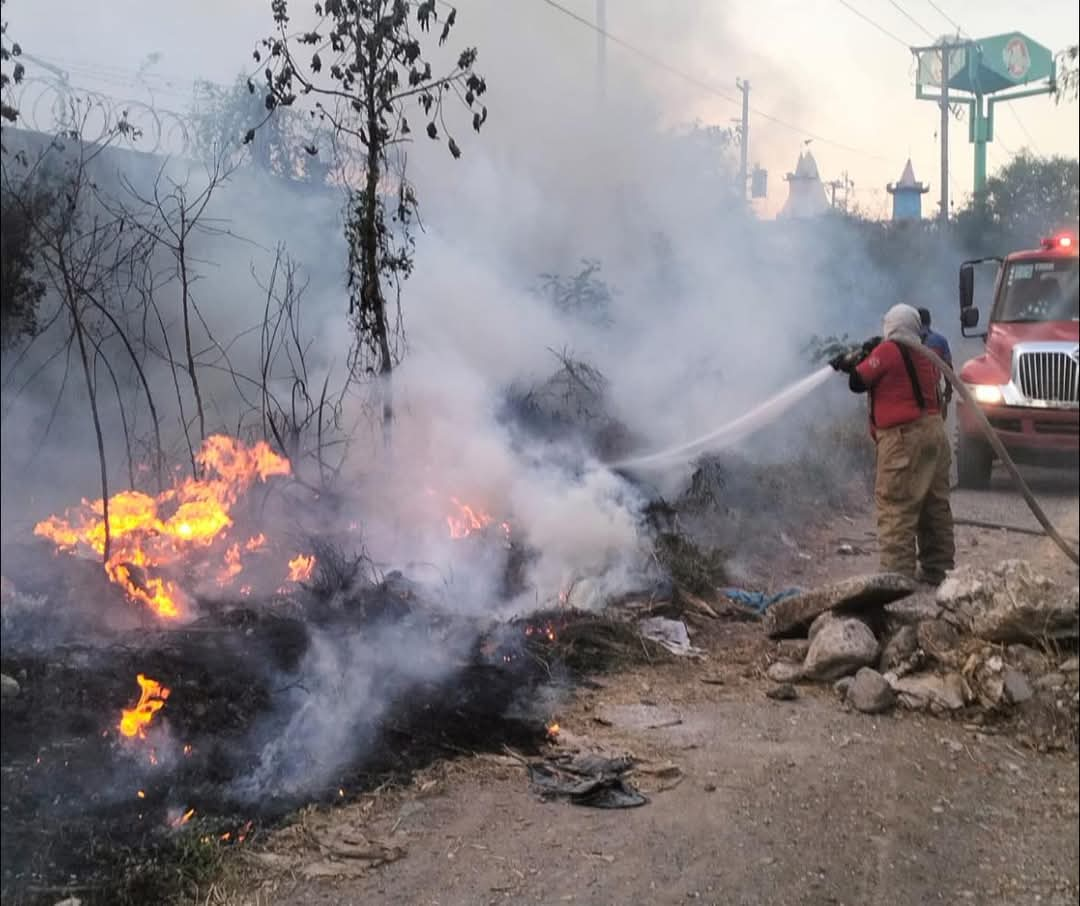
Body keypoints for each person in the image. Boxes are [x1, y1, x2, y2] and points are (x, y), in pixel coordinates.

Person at [830, 304, 955, 585]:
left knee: (896, 506)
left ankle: (896, 579)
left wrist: (851, 363)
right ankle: (939, 571)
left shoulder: (888, 352)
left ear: (891, 326)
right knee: (934, 506)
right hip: (934, 435)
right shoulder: (926, 352)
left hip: (902, 439)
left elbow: (858, 382)